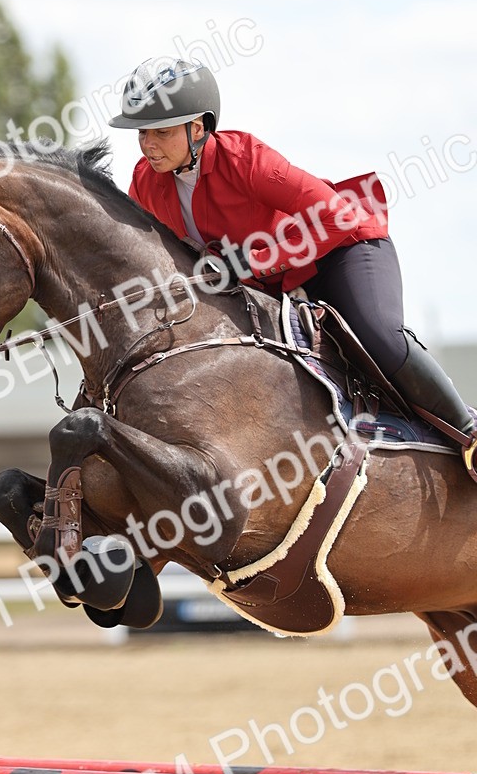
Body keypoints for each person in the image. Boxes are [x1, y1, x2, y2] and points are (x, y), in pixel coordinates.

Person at [108, 57, 477, 480]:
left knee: (378, 336)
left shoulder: (245, 158)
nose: (148, 144)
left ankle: (470, 433)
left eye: (162, 131)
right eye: (142, 132)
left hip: (342, 251)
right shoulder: (144, 182)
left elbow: (337, 216)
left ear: (198, 128)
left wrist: (252, 260)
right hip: (271, 287)